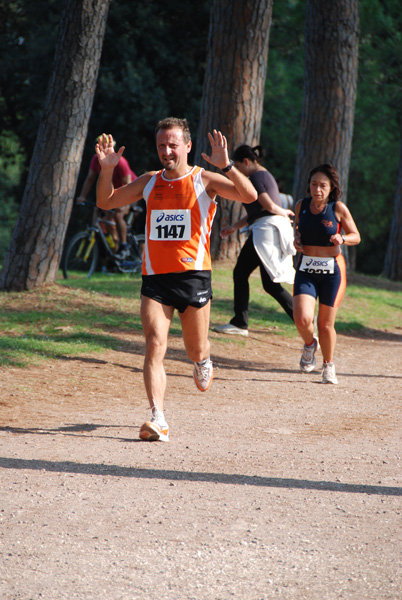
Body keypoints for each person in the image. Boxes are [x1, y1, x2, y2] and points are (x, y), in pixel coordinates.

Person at [95, 118, 257, 442]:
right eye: (161, 146)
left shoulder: (204, 180)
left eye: (172, 145)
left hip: (194, 277)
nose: (166, 151)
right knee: (155, 344)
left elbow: (249, 196)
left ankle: (203, 359)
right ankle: (158, 418)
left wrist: (227, 166)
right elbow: (106, 201)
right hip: (155, 278)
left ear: (187, 146)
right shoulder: (148, 182)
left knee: (194, 348)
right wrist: (106, 169)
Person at [214, 145, 296, 337]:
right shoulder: (263, 175)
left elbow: (267, 204)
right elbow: (258, 211)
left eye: (238, 166)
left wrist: (283, 211)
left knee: (241, 273)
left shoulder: (256, 177)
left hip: (266, 231)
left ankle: (240, 323)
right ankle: (303, 320)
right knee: (270, 285)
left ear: (247, 162)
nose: (238, 172)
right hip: (266, 228)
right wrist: (234, 227)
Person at [293, 163, 361, 384]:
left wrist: (343, 238)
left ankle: (328, 365)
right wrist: (297, 242)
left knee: (325, 324)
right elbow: (298, 232)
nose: (317, 189)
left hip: (333, 271)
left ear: (331, 188)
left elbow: (356, 236)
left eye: (323, 185)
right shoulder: (300, 206)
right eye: (314, 184)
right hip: (306, 268)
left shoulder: (338, 208)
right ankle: (310, 345)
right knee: (302, 318)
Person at [77, 136, 137, 259]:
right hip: (114, 194)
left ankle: (124, 246)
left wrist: (126, 203)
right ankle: (113, 249)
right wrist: (82, 196)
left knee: (118, 215)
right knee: (99, 212)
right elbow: (90, 179)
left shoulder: (121, 162)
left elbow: (129, 185)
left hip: (131, 191)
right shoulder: (95, 159)